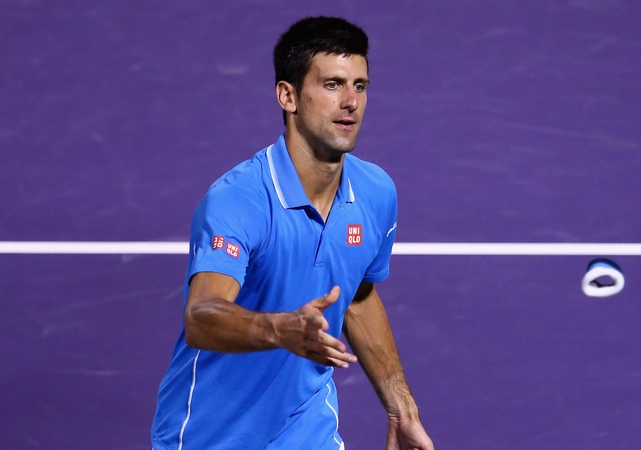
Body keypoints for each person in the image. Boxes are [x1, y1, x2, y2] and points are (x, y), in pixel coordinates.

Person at [151, 16, 434, 450]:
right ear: (288, 96)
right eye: (333, 84)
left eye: (360, 86)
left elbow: (356, 294)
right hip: (211, 436)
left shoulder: (376, 192)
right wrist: (281, 330)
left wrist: (401, 406)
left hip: (306, 432)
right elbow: (201, 316)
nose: (351, 103)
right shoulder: (238, 200)